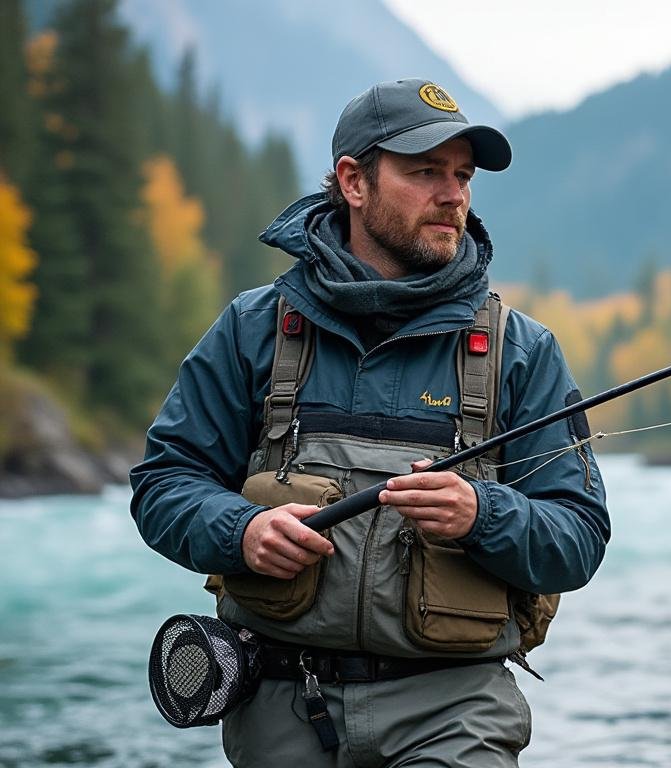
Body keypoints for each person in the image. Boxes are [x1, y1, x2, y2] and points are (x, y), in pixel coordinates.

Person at [130, 78, 610, 767]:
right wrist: (242, 531)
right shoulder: (253, 330)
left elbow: (579, 536)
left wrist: (482, 514)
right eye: (426, 172)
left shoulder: (521, 352)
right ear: (354, 182)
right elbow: (164, 484)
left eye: (462, 175)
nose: (453, 195)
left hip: (455, 709)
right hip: (281, 704)